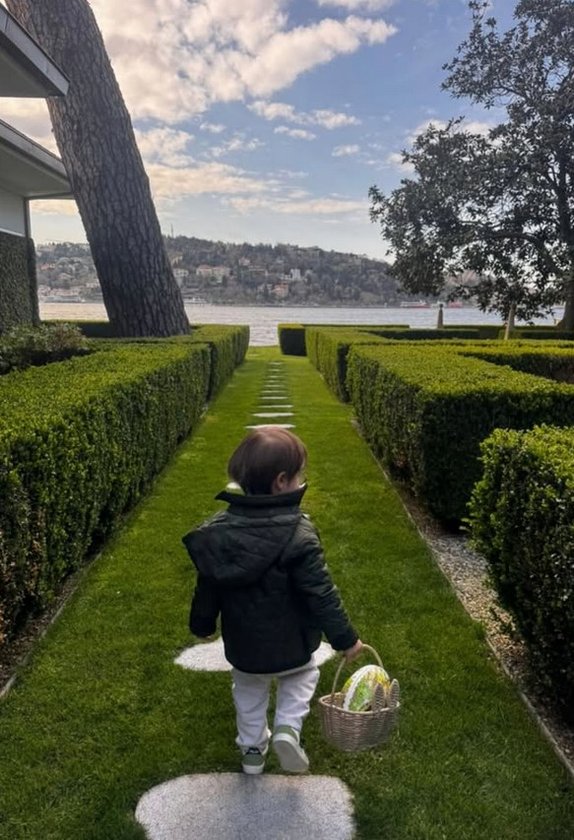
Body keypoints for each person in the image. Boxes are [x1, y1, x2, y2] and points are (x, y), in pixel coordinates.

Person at [183, 426, 363, 775]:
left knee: (248, 691)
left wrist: (202, 624)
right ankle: (287, 729)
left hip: (245, 647)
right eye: (299, 476)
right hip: (292, 643)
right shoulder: (299, 533)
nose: (301, 481)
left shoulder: (218, 533)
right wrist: (345, 639)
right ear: (281, 482)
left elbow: (209, 584)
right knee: (301, 677)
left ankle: (252, 750)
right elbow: (321, 592)